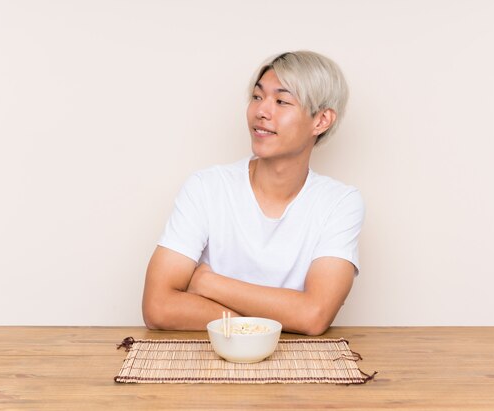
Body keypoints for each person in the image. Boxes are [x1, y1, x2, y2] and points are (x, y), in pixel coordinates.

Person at [142, 51, 364, 336]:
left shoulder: (340, 203)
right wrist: (277, 319)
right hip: (207, 365)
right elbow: (158, 307)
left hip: (299, 371)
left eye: (282, 101)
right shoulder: (207, 187)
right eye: (257, 97)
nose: (261, 111)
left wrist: (208, 283)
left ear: (321, 121)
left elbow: (313, 316)